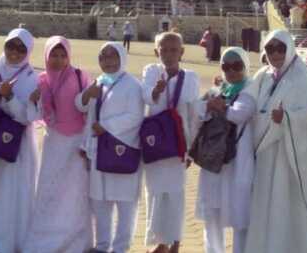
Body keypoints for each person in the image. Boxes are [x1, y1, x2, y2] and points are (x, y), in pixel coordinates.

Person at [243, 29, 307, 253]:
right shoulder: (263, 75)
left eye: (280, 48)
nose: (275, 54)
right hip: (265, 153)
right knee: (264, 205)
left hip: (289, 156)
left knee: (286, 206)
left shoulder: (303, 78)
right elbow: (247, 100)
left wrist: (287, 118)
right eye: (270, 49)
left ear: (289, 48)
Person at [24, 36, 92, 253]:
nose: (58, 60)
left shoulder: (80, 76)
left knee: (74, 193)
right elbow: (34, 116)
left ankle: (75, 241)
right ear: (46, 56)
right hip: (53, 142)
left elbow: (91, 112)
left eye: (63, 55)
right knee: (50, 192)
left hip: (77, 143)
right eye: (54, 55)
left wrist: (88, 144)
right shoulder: (41, 80)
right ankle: (46, 240)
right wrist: (33, 100)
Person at [76, 42, 145, 253]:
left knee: (125, 204)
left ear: (122, 57)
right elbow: (81, 106)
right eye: (103, 57)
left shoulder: (133, 85)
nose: (108, 61)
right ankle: (102, 245)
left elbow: (135, 117)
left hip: (122, 150)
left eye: (112, 56)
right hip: (99, 151)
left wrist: (105, 126)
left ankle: (120, 247)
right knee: (100, 201)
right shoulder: (99, 81)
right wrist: (87, 94)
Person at [0, 29, 41, 253]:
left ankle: (5, 243)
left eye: (21, 49)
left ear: (28, 51)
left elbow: (28, 116)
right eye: (10, 46)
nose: (14, 52)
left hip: (17, 145)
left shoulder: (31, 77)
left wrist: (9, 97)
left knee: (11, 194)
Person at [141, 31, 200, 253]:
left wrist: (191, 150)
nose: (168, 54)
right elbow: (146, 97)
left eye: (174, 50)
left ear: (182, 52)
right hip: (154, 144)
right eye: (163, 50)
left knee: (175, 194)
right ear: (156, 52)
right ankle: (160, 242)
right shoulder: (151, 71)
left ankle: (175, 241)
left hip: (178, 145)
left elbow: (193, 115)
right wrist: (155, 90)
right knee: (155, 193)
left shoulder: (190, 78)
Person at [196, 47, 255, 253]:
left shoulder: (251, 90)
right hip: (214, 161)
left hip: (237, 162)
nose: (231, 71)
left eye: (237, 66)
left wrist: (220, 106)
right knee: (212, 213)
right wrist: (210, 105)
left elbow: (240, 114)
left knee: (240, 215)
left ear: (246, 66)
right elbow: (198, 110)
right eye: (226, 66)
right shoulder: (218, 90)